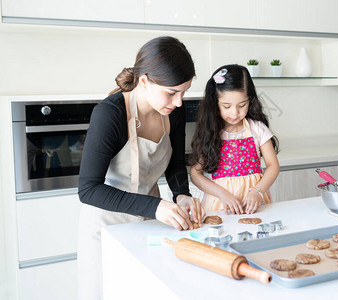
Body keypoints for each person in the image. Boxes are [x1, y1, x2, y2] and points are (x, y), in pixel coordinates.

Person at [77, 36, 205, 300]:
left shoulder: (173, 111)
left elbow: (176, 163)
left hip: (151, 223)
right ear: (145, 81)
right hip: (106, 227)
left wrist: (182, 194)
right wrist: (156, 206)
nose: (179, 102)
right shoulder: (110, 114)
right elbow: (88, 189)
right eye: (172, 92)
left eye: (184, 91)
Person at [190, 64, 280, 215]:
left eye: (242, 105)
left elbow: (273, 166)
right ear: (215, 103)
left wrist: (257, 192)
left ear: (250, 101)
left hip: (254, 205)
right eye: (226, 106)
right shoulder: (211, 133)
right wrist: (222, 194)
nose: (234, 113)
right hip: (220, 205)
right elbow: (195, 174)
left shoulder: (257, 129)